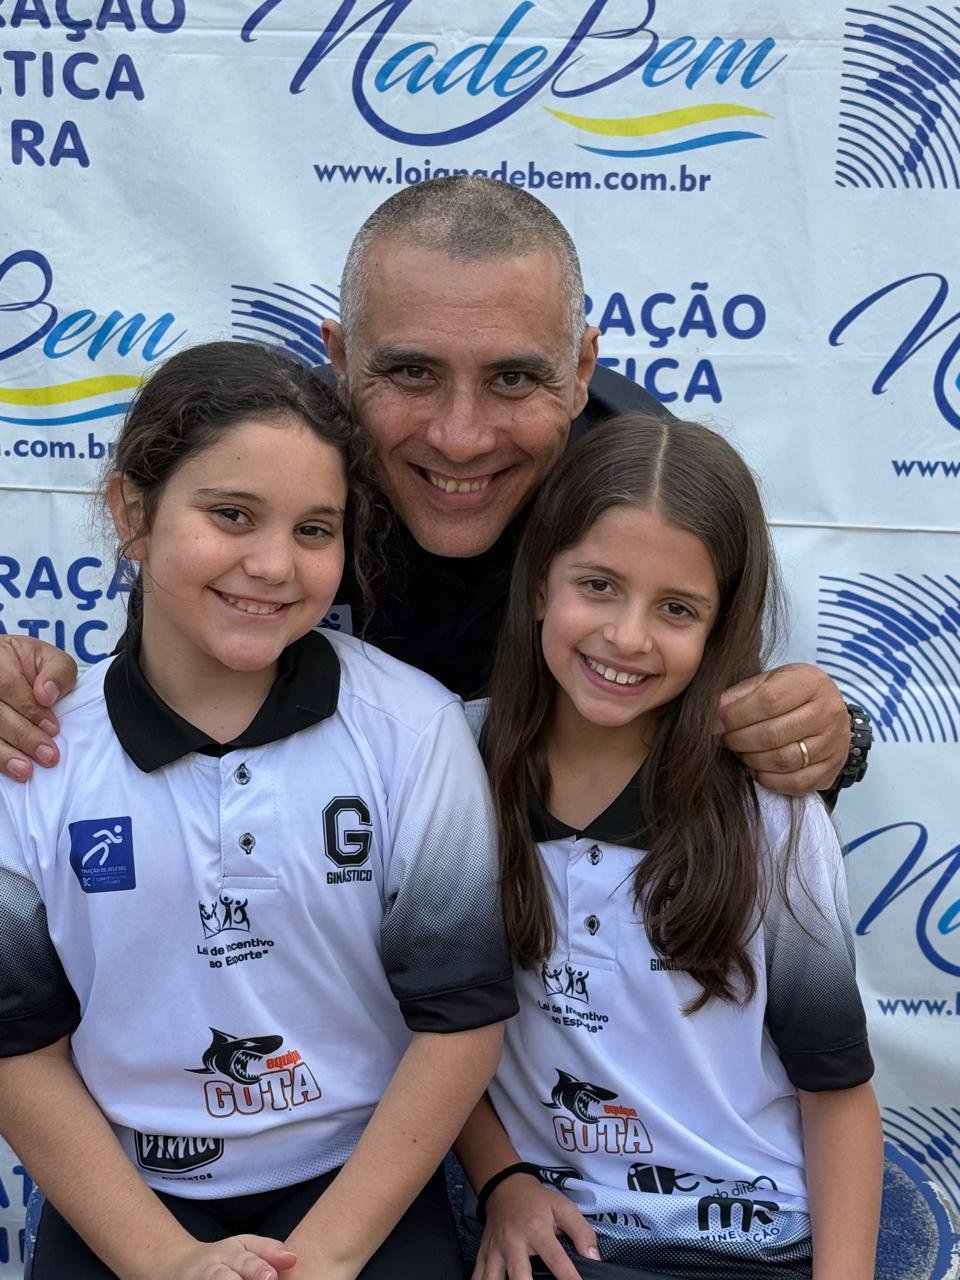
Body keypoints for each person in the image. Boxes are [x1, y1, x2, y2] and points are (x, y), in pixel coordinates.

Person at [0, 178, 865, 801]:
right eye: (412, 373)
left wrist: (820, 737)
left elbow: (724, 729)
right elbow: (168, 690)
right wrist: (47, 698)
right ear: (341, 361)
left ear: (579, 372)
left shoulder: (640, 483)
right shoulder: (283, 466)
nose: (461, 436)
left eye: (513, 380)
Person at [0, 341, 516, 1280]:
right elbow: (16, 1043)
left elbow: (462, 1017)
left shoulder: (413, 729)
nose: (274, 565)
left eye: (315, 529)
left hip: (359, 1190)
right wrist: (164, 1262)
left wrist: (326, 1255)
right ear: (132, 512)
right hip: (126, 1198)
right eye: (232, 514)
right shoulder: (34, 754)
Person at [455, 415, 882, 1280]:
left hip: (756, 1244)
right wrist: (502, 1180)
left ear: (721, 627)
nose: (628, 637)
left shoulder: (771, 812)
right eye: (598, 585)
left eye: (677, 608)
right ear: (538, 585)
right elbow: (433, 1030)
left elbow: (836, 1093)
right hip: (553, 1238)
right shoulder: (452, 765)